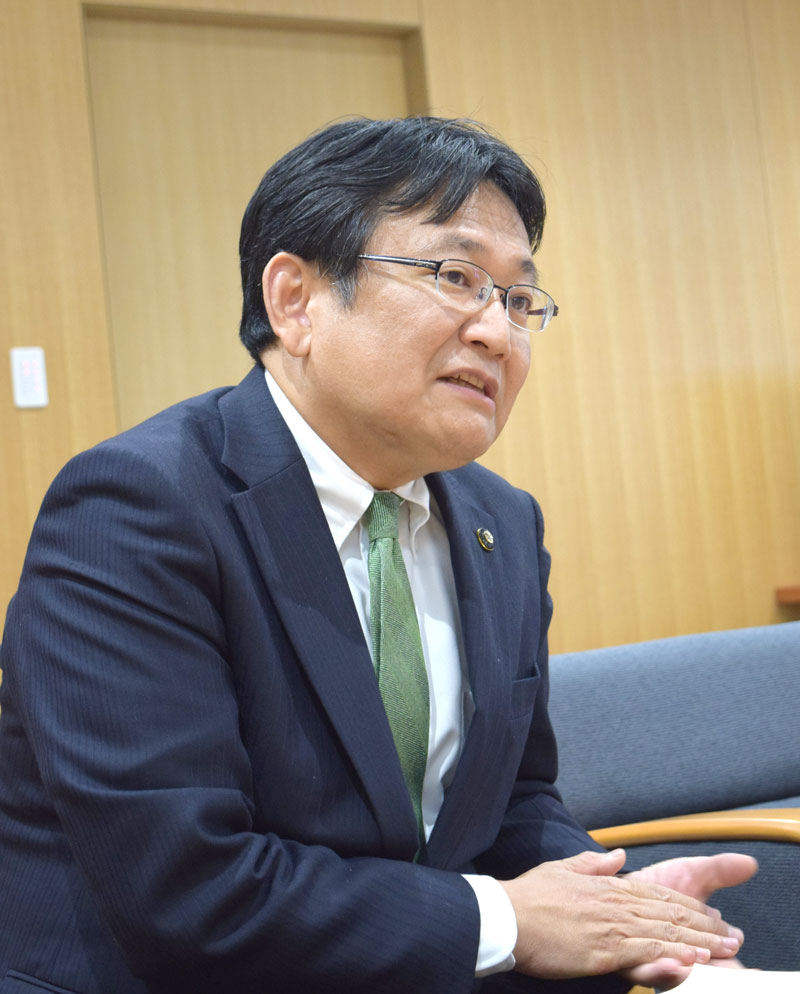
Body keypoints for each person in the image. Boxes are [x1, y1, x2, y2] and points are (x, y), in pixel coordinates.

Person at [0, 117, 755, 994]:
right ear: (296, 301)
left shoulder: (501, 522)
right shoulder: (139, 506)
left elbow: (512, 803)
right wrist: (511, 921)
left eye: (519, 299)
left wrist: (616, 906)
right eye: (455, 277)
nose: (497, 333)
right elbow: (190, 888)